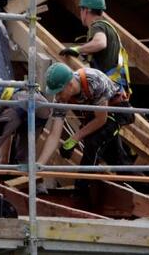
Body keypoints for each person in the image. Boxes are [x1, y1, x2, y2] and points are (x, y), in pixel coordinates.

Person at [42, 62, 133, 190]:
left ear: (70, 85)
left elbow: (101, 120)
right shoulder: (61, 99)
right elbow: (54, 134)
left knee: (93, 143)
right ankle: (147, 188)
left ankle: (81, 190)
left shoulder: (94, 81)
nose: (57, 97)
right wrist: (40, 163)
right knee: (117, 158)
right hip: (95, 113)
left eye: (59, 92)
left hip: (115, 111)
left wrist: (74, 139)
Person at [59, 0, 131, 97]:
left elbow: (100, 43)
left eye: (81, 9)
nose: (80, 13)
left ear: (86, 10)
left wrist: (77, 49)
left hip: (109, 87)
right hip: (116, 87)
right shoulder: (108, 27)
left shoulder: (97, 26)